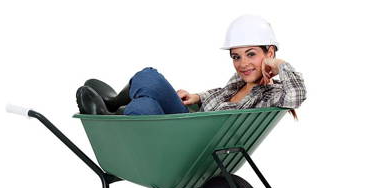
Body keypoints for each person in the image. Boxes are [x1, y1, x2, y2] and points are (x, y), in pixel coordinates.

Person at [77, 15, 306, 116]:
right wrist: (197, 97)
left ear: (270, 52)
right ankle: (114, 103)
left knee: (144, 109)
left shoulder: (271, 94)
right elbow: (220, 94)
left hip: (190, 140)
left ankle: (111, 114)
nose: (243, 63)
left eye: (251, 54)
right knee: (149, 77)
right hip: (187, 122)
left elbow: (296, 96)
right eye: (236, 57)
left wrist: (279, 64)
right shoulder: (238, 83)